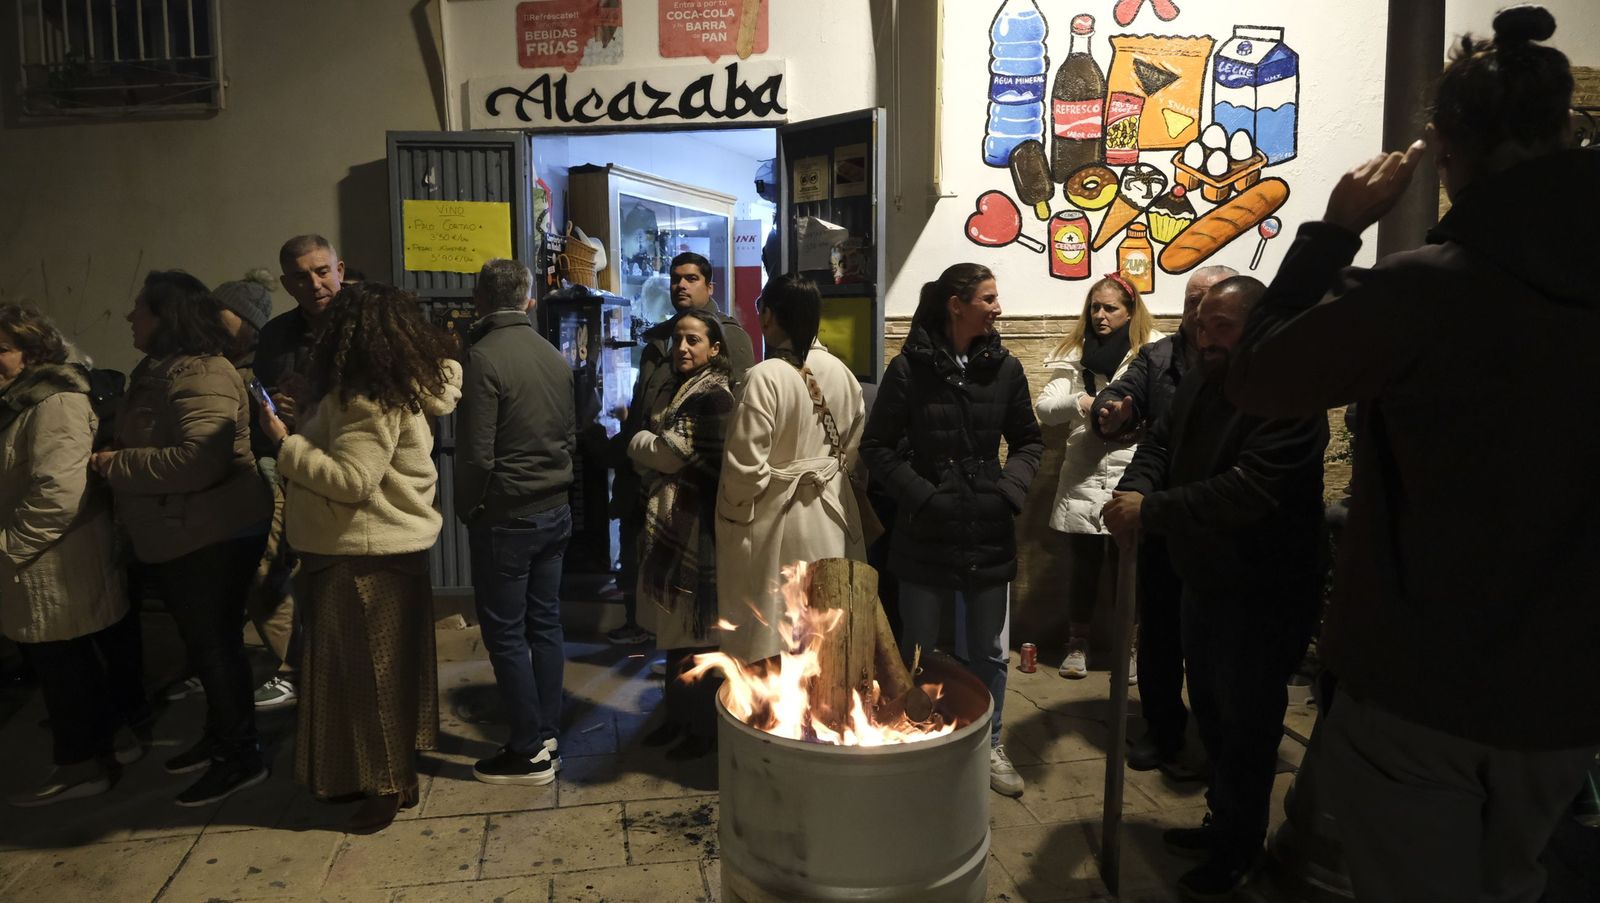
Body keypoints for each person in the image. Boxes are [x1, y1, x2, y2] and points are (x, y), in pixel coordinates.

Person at [1223, 8, 1600, 900]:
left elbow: (1258, 376)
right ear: (1567, 131)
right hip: (1565, 694)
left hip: (1423, 686)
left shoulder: (1431, 290)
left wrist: (1332, 229)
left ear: (1449, 149)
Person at [1105, 276, 1327, 899]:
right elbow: (1160, 444)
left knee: (1249, 726)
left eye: (1222, 325)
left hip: (1263, 593)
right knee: (1213, 715)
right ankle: (1223, 823)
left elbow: (1248, 490)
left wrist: (1151, 513)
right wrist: (1138, 488)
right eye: (1201, 325)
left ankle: (1238, 851)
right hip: (1202, 580)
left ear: (1257, 326)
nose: (1206, 337)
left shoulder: (1290, 394)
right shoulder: (1202, 379)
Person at [258, 283, 459, 832]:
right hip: (378, 549)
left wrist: (285, 443)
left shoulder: (366, 397)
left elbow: (351, 480)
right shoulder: (389, 385)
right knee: (384, 676)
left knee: (368, 678)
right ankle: (390, 777)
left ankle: (386, 785)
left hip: (361, 555)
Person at [90, 271, 273, 807]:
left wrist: (114, 463)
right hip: (181, 531)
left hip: (210, 532)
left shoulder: (202, 375)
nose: (129, 318)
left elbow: (200, 461)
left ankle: (240, 756)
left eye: (139, 309)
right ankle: (222, 738)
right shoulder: (160, 369)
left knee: (216, 648)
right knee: (206, 646)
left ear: (165, 317)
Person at [860, 262, 1043, 798]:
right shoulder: (908, 369)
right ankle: (919, 737)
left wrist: (1008, 491)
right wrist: (922, 494)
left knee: (987, 648)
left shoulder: (1005, 368)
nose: (998, 307)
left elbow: (1029, 440)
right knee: (918, 645)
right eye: (988, 297)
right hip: (925, 529)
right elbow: (877, 448)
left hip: (987, 527)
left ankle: (988, 743)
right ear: (956, 305)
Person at [1091, 265, 1235, 776]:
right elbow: (1134, 414)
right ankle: (1164, 731)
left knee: (1216, 648)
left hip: (1224, 534)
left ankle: (1220, 750)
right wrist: (1112, 412)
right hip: (1166, 525)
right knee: (1159, 637)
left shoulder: (1258, 369)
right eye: (1193, 301)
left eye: (1213, 304)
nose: (1200, 313)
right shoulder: (1161, 358)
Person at [0, 305, 144, 807]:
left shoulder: (53, 402)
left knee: (62, 665)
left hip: (52, 559)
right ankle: (115, 741)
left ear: (32, 352)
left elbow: (57, 494)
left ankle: (81, 766)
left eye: (2, 348)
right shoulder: (19, 400)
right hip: (49, 556)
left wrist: (8, 546)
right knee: (77, 659)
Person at [455, 259, 576, 787]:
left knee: (504, 634)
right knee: (545, 623)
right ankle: (547, 733)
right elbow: (569, 435)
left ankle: (527, 750)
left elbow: (477, 456)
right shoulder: (553, 356)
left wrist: (468, 507)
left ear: (481, 300)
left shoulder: (482, 358)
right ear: (528, 300)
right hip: (555, 508)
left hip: (507, 514)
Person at [717, 274, 868, 666]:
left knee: (778, 636)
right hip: (832, 519)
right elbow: (849, 454)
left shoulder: (763, 377)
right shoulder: (842, 373)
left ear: (768, 317)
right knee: (822, 635)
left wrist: (733, 521)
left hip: (777, 530)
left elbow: (743, 472)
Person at [611, 252, 754, 648]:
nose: (681, 285)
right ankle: (648, 630)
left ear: (709, 286)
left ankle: (685, 663)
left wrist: (650, 445)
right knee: (645, 562)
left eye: (691, 278)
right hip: (650, 475)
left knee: (690, 606)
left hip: (693, 481)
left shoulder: (727, 336)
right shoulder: (661, 336)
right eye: (675, 278)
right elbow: (647, 400)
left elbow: (737, 404)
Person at [1035, 274, 1161, 682]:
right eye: (1095, 307)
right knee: (1084, 564)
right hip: (1085, 469)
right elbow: (1045, 408)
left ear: (1131, 311)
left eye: (1111, 308)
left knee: (1130, 565)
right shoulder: (1076, 353)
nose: (1101, 316)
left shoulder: (1153, 351)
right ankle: (1078, 643)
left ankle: (1131, 648)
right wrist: (1082, 401)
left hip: (1133, 468)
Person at [629, 309, 737, 760]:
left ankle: (701, 727)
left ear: (714, 348)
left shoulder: (713, 394)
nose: (683, 348)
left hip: (698, 526)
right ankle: (677, 717)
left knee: (697, 630)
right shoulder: (684, 388)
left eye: (693, 340)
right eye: (678, 339)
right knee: (677, 628)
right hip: (682, 521)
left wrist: (638, 442)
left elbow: (672, 454)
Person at [213, 271, 299, 711]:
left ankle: (294, 671)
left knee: (267, 573)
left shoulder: (258, 368)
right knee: (262, 575)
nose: (211, 321)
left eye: (221, 313)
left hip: (267, 476)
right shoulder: (225, 366)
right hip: (253, 478)